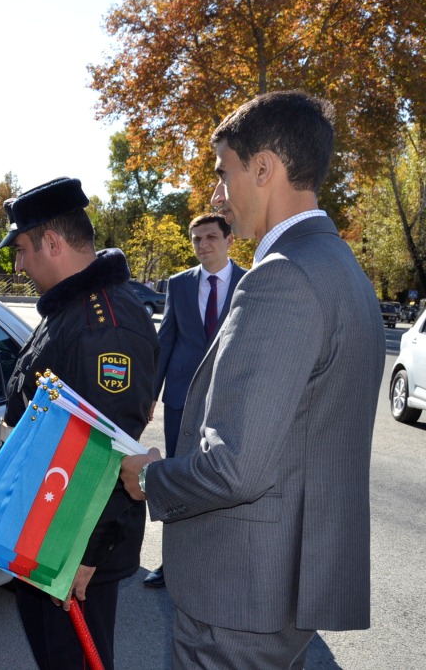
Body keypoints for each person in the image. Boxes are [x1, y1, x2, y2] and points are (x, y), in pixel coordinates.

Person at [120, 90, 386, 669]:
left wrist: (150, 478)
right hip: (282, 585)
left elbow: (235, 466)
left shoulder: (280, 278)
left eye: (224, 171)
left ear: (263, 168)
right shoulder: (341, 268)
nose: (218, 193)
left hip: (238, 597)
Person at [0, 177, 159, 670]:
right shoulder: (68, 305)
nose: (19, 265)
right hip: (43, 524)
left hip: (73, 543)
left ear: (53, 242)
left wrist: (86, 553)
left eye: (22, 250)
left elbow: (115, 448)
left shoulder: (105, 324)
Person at [143, 212, 246, 589]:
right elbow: (166, 341)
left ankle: (218, 561)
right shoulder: (179, 284)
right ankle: (173, 563)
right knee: (177, 475)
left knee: (223, 480)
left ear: (229, 240)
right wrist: (151, 395)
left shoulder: (250, 282)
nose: (203, 245)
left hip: (229, 397)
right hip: (181, 399)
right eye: (196, 239)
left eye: (210, 238)